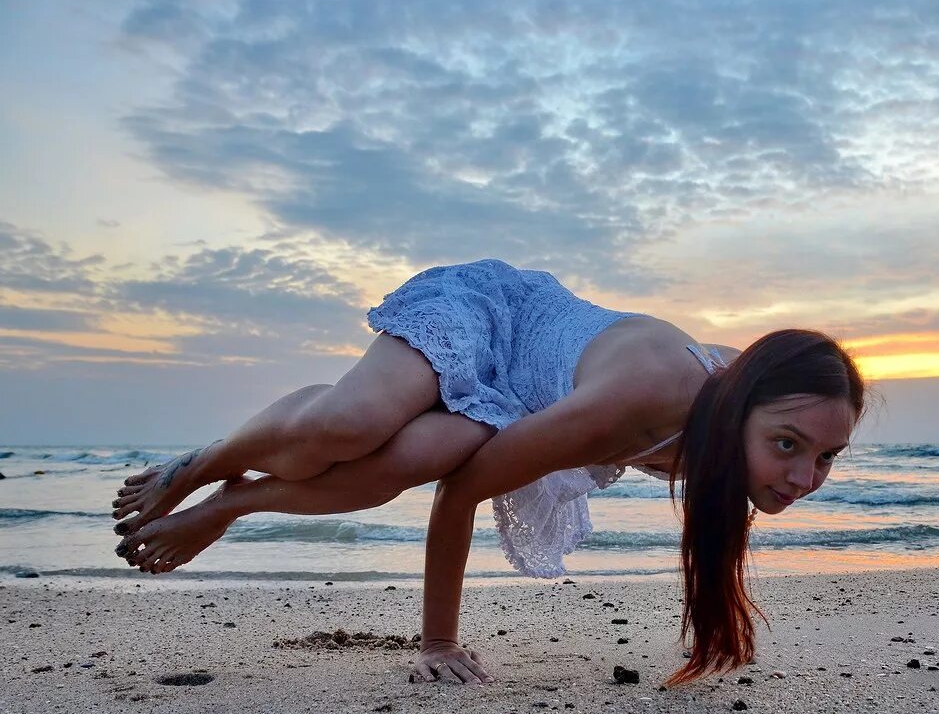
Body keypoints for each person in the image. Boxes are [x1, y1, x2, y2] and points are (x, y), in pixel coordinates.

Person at [110, 258, 867, 687]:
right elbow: (466, 492)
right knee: (352, 426)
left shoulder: (746, 403)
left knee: (401, 462)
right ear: (738, 409)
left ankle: (233, 504)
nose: (804, 477)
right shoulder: (647, 400)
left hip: (515, 397)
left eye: (827, 455)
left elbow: (447, 470)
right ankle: (203, 463)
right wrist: (439, 642)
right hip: (495, 316)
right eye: (789, 445)